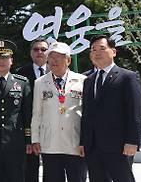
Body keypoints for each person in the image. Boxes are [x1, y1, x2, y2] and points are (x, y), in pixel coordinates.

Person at [79, 36, 141, 182]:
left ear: (113, 52)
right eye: (93, 49)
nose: (97, 52)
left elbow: (134, 112)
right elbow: (87, 114)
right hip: (93, 146)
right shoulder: (88, 80)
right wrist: (83, 142)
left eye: (102, 48)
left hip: (119, 146)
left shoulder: (127, 77)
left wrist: (132, 141)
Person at [31, 41, 87, 182]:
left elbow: (87, 115)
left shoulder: (82, 81)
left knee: (77, 178)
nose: (54, 60)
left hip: (75, 142)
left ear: (68, 60)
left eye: (59, 57)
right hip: (50, 143)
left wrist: (86, 141)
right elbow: (37, 113)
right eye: (51, 57)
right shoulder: (40, 82)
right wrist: (35, 139)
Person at [0, 40, 32, 182]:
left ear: (11, 61)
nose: (1, 61)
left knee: (16, 176)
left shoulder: (22, 82)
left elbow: (27, 113)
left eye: (5, 58)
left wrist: (28, 140)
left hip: (15, 142)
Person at [17, 39, 49, 182]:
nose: (40, 52)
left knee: (52, 167)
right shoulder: (21, 74)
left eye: (43, 49)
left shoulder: (57, 70)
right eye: (36, 49)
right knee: (30, 169)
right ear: (31, 52)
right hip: (30, 127)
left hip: (52, 126)